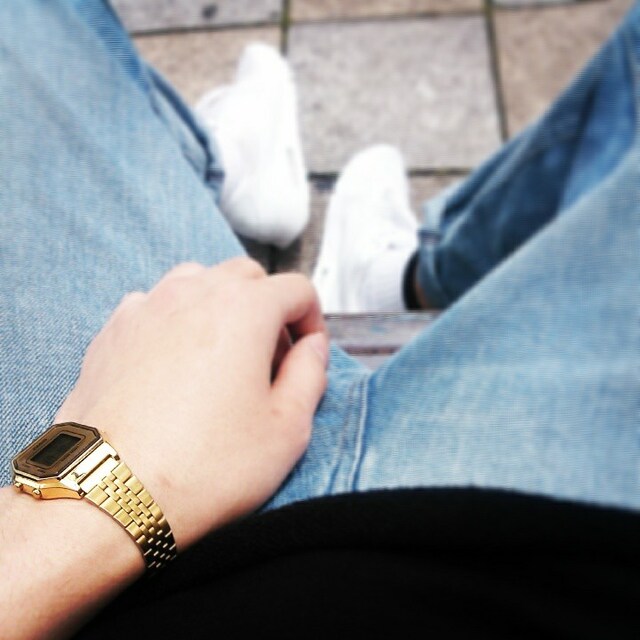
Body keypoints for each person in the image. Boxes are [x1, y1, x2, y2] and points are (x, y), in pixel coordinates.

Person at [0, 1, 638, 638]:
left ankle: (226, 176)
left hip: (134, 576)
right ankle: (402, 275)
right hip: (566, 534)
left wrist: (68, 524)